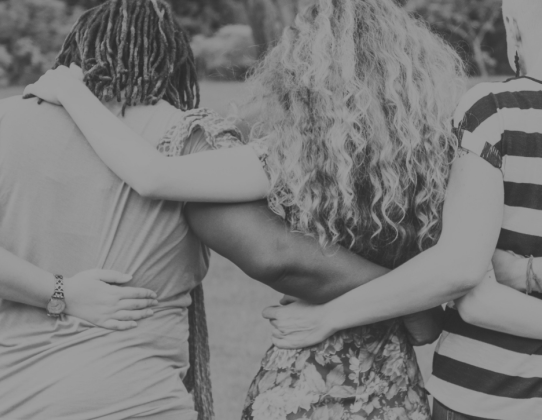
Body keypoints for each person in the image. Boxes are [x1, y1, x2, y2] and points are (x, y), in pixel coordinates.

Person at [2, 1, 444, 419]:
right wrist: (409, 298)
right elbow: (273, 253)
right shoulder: (186, 139)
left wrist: (55, 292)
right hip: (140, 396)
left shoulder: (9, 123)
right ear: (173, 62)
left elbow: (155, 176)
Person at [255, 1, 542, 420]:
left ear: (512, 25)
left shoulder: (493, 110)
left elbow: (460, 269)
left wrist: (329, 315)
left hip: (489, 395)